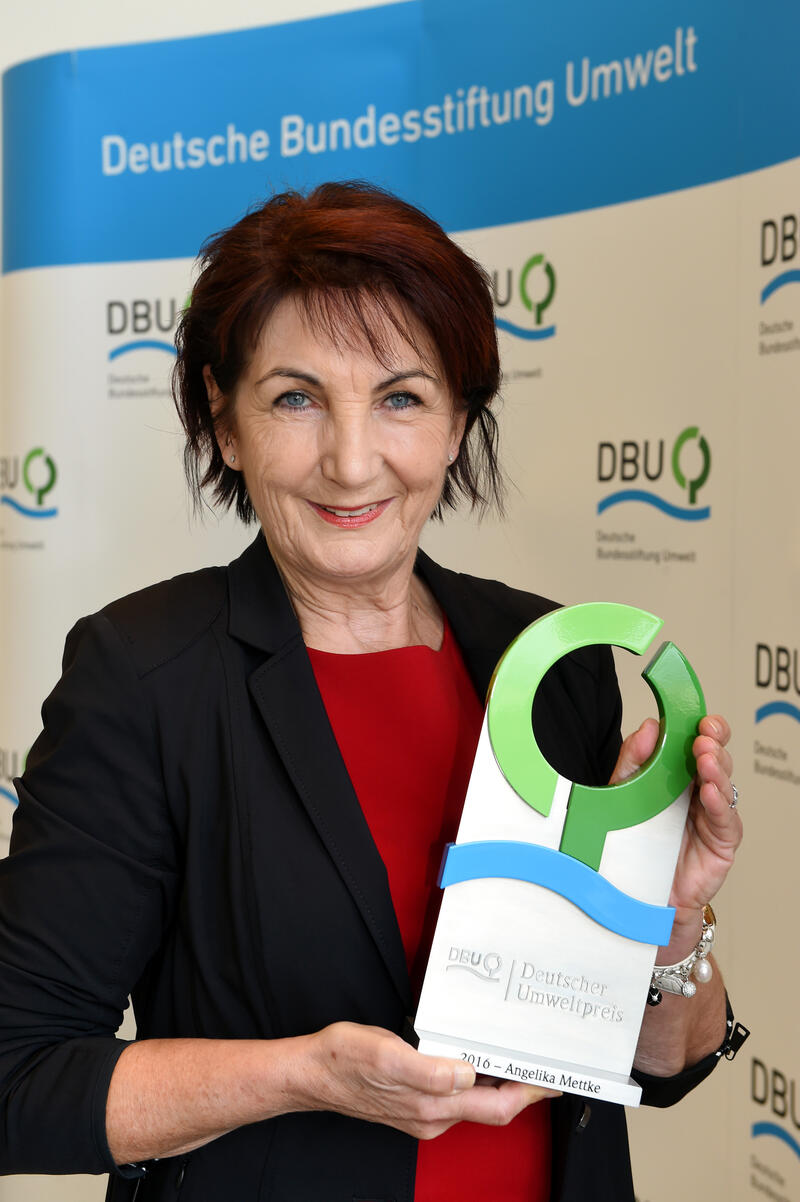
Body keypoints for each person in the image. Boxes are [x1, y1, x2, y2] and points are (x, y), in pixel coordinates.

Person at [0, 182, 743, 1202]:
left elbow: (662, 1063)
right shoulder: (145, 674)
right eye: (295, 398)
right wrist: (301, 1075)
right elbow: (18, 1078)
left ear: (457, 421)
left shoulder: (550, 662)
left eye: (400, 398)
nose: (351, 464)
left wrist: (666, 924)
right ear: (224, 419)